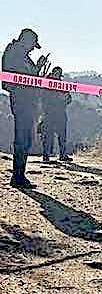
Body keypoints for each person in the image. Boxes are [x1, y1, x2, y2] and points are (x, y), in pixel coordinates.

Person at [2, 28, 49, 189]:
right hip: (21, 101)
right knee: (22, 137)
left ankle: (20, 174)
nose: (32, 49)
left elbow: (31, 77)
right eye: (32, 45)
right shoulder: (13, 53)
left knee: (26, 137)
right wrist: (37, 69)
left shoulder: (21, 56)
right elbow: (20, 79)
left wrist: (38, 67)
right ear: (26, 40)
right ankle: (17, 176)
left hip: (27, 101)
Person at [40, 66, 72, 163]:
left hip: (58, 113)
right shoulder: (46, 83)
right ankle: (47, 155)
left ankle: (60, 155)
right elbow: (44, 98)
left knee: (60, 135)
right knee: (49, 135)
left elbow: (69, 98)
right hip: (50, 113)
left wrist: (65, 100)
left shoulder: (60, 84)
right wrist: (60, 100)